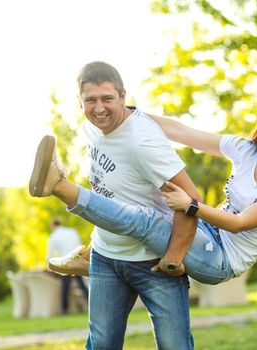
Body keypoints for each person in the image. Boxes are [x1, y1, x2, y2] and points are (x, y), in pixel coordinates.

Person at [34, 99, 257, 287]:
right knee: (145, 189)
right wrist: (129, 115)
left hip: (220, 259)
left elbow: (239, 224)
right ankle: (92, 255)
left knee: (147, 219)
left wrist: (191, 206)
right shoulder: (245, 150)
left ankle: (60, 186)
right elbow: (183, 131)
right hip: (203, 232)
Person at [30, 61, 199, 350]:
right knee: (101, 345)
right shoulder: (90, 128)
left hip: (153, 261)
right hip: (106, 258)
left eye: (107, 98)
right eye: (90, 100)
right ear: (79, 101)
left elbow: (190, 198)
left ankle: (58, 184)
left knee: (175, 347)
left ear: (123, 95)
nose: (99, 108)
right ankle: (60, 188)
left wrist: (173, 257)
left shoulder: (142, 143)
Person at [45, 218, 88, 314]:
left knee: (65, 288)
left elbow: (49, 255)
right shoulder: (72, 231)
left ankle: (64, 310)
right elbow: (80, 245)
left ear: (52, 226)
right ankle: (91, 305)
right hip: (77, 260)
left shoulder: (53, 236)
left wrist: (48, 266)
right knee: (82, 286)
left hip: (66, 263)